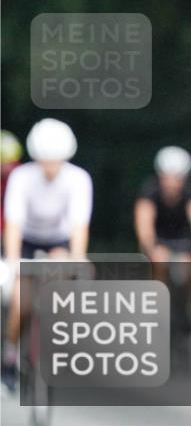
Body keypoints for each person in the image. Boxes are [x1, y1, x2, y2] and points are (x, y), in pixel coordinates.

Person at [2, 119, 92, 391]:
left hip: (59, 241)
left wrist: (76, 258)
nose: (50, 167)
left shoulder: (78, 179)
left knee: (63, 288)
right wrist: (14, 261)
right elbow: (14, 225)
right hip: (27, 240)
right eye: (45, 160)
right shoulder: (22, 178)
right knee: (21, 300)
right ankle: (10, 355)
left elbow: (79, 226)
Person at [134, 146, 191, 282]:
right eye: (167, 177)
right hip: (159, 240)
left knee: (189, 266)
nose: (172, 183)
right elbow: (144, 222)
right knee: (159, 261)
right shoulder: (150, 190)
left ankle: (185, 300)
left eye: (177, 178)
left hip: (184, 241)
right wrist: (149, 246)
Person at [0, 130, 24, 249]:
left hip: (18, 233)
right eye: (3, 162)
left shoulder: (20, 175)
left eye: (12, 161)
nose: (8, 166)